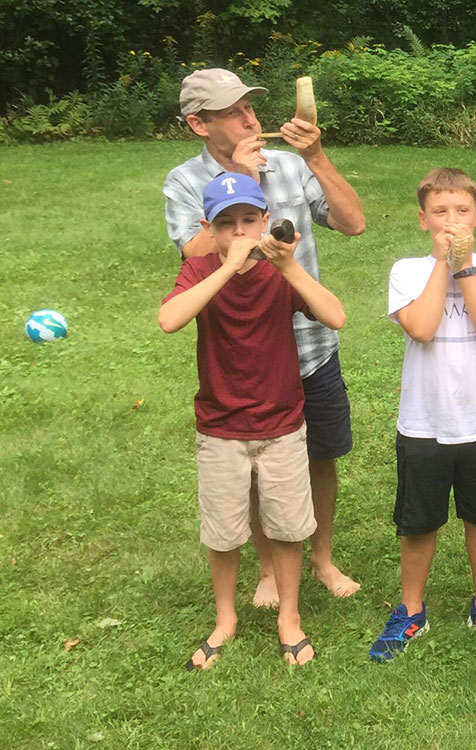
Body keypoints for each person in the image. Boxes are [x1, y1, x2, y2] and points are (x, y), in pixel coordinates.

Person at [164, 68, 367, 607]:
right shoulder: (185, 181)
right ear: (198, 124)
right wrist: (238, 186)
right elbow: (193, 252)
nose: (251, 119)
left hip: (310, 345)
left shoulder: (293, 164)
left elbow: (353, 223)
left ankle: (320, 558)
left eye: (250, 107)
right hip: (245, 358)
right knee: (251, 465)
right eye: (233, 112)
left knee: (320, 454)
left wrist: (319, 157)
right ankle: (269, 571)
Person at [159, 173, 346, 669]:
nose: (239, 233)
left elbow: (336, 315)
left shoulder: (280, 273)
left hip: (283, 424)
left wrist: (289, 267)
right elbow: (169, 319)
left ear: (266, 221)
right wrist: (226, 269)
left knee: (287, 529)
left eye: (248, 221)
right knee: (223, 534)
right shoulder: (200, 269)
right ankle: (226, 620)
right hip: (220, 428)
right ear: (209, 228)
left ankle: (290, 617)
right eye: (227, 225)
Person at [368, 168, 476, 662]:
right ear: (422, 220)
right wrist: (441, 265)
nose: (451, 221)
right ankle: (411, 609)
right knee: (420, 520)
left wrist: (465, 267)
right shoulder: (406, 271)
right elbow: (422, 328)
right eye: (440, 213)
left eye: (461, 211)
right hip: (424, 422)